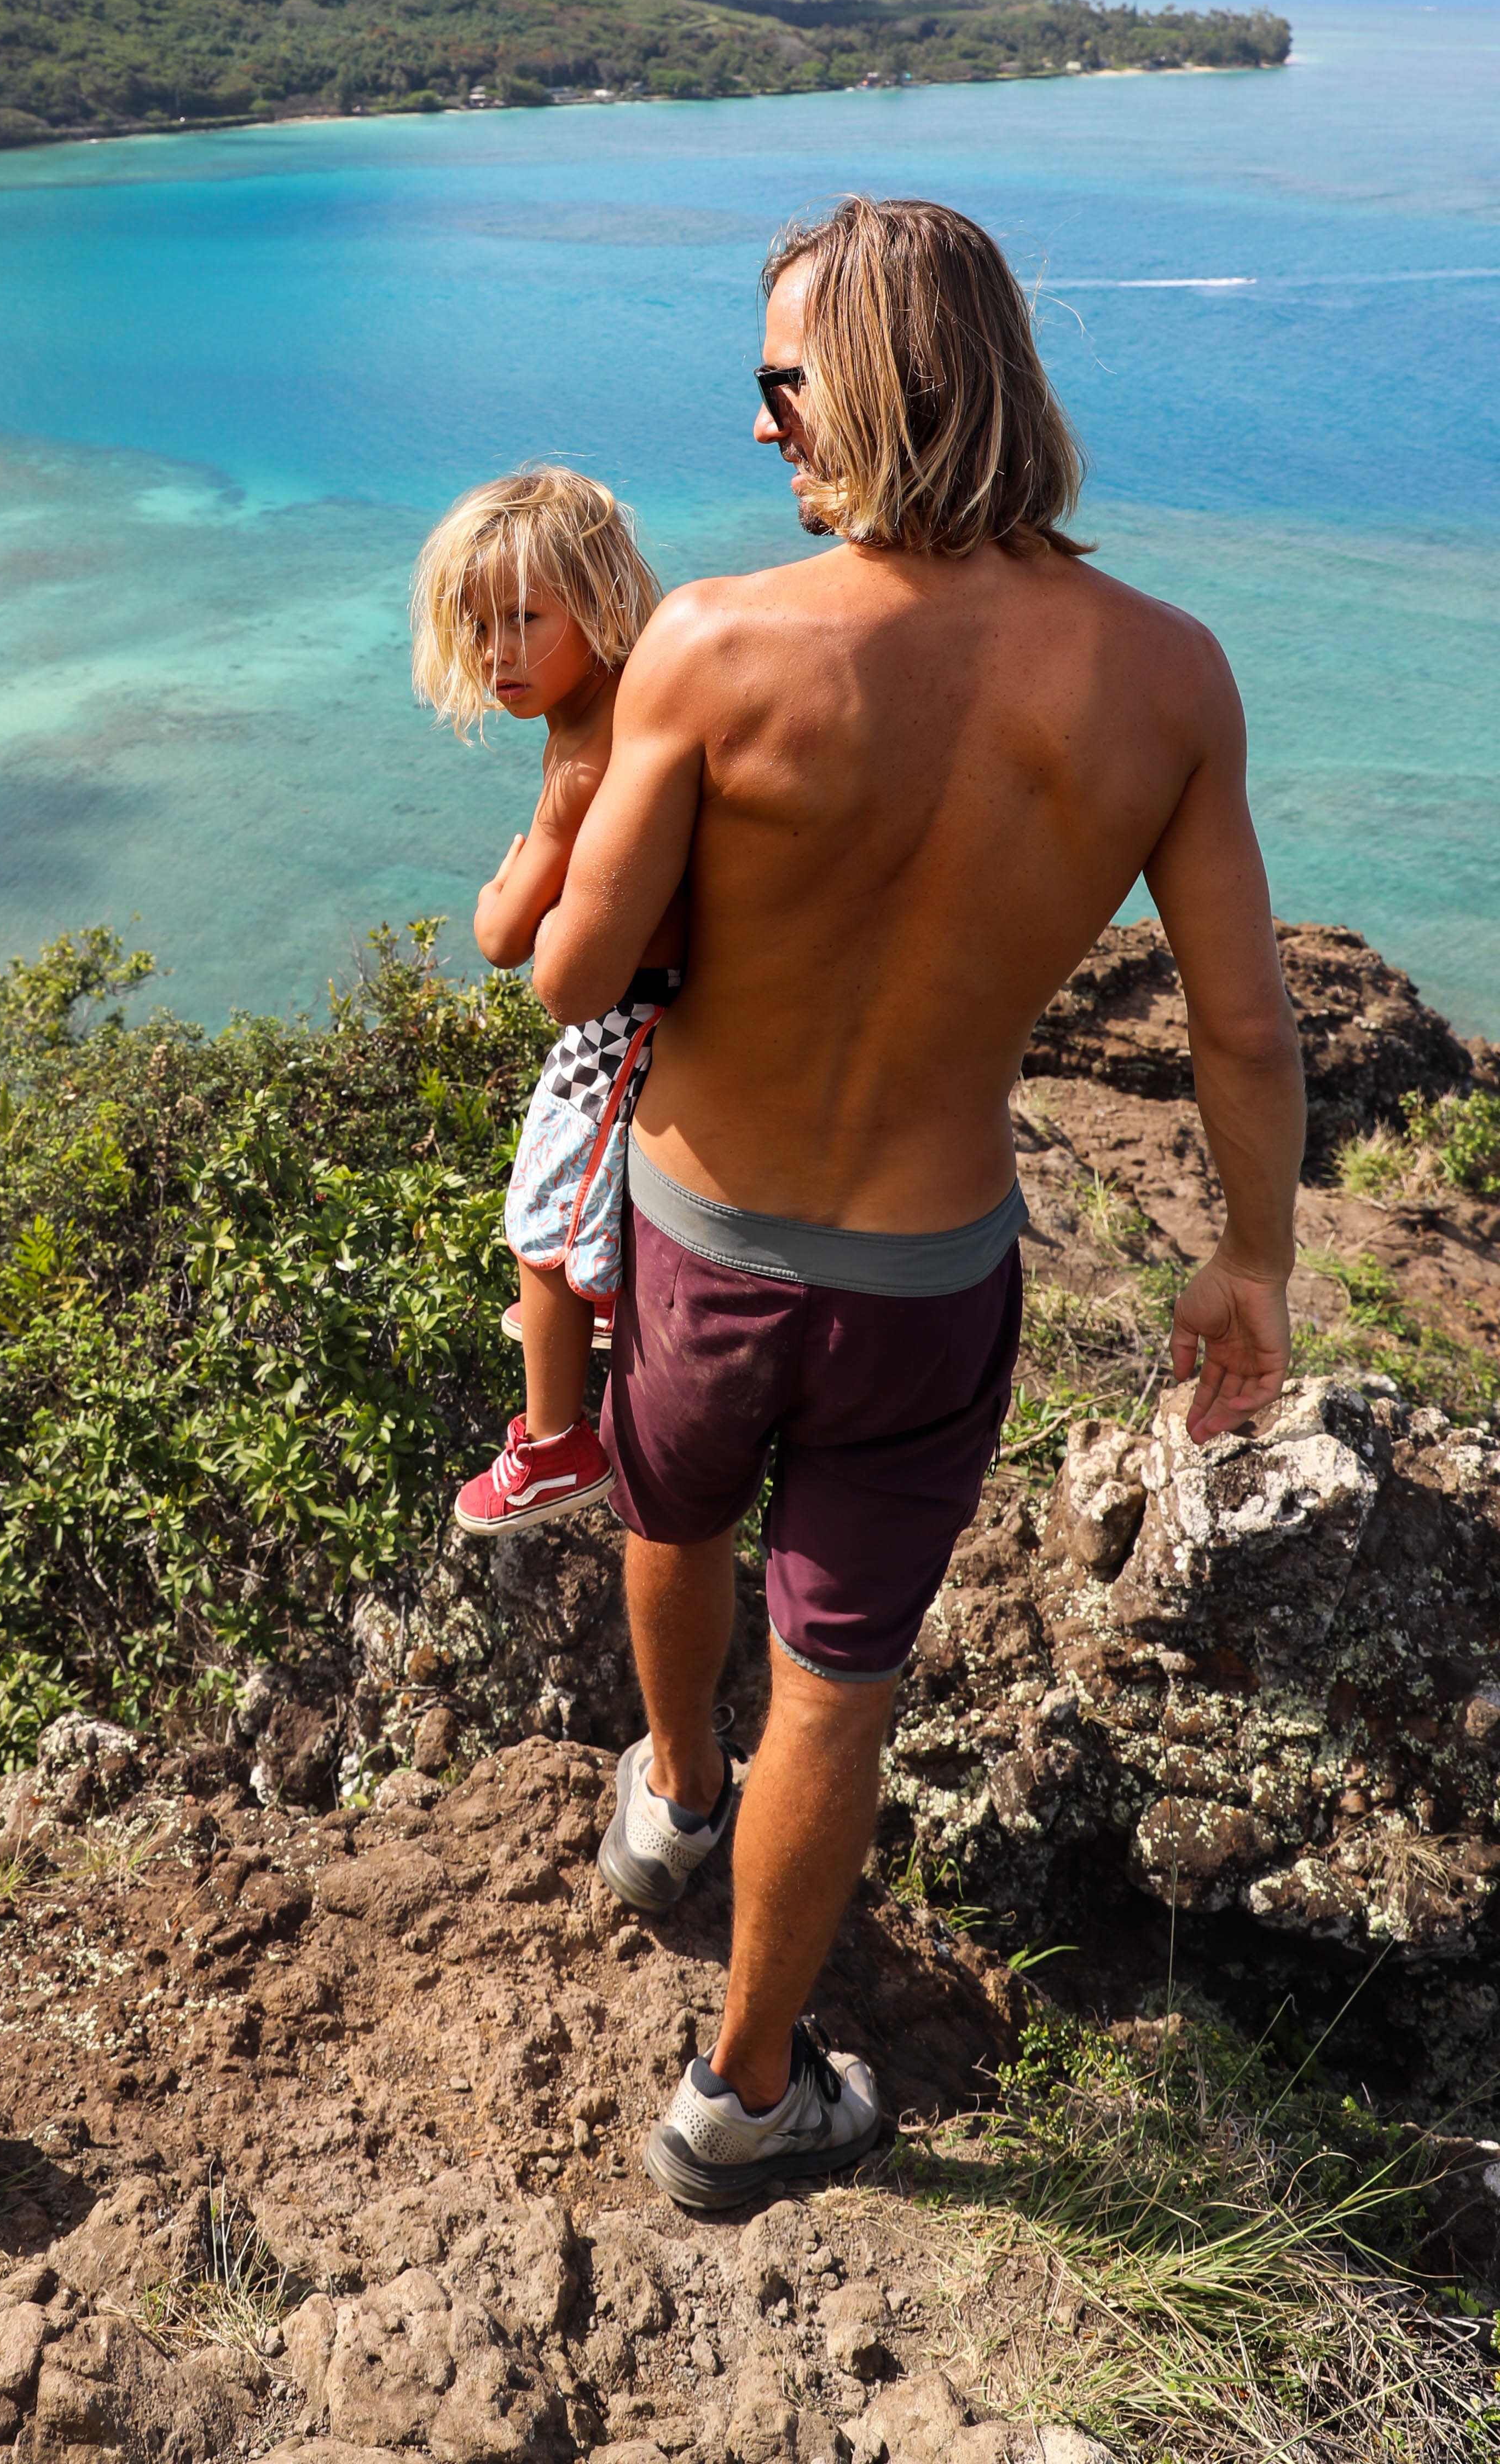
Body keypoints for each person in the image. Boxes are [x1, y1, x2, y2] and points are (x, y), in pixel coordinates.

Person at [530, 195, 1304, 2214]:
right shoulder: (1168, 675)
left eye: (784, 384)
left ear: (879, 382)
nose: (764, 427)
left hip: (704, 1239)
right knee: (842, 1678)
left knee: (671, 1508)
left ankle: (673, 1803)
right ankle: (744, 2095)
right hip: (928, 1281)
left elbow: (570, 976)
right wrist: (1255, 1256)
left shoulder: (714, 640)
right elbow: (1243, 1027)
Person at [409, 467, 685, 1531]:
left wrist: (497, 888)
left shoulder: (581, 752)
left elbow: (500, 939)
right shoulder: (642, 692)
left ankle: (556, 1445)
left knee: (540, 1217)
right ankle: (595, 1310)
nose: (496, 654)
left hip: (625, 1020)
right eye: (475, 626)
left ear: (600, 600)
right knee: (570, 1218)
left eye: (523, 619)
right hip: (659, 1001)